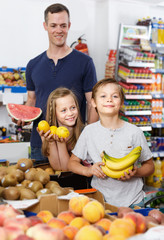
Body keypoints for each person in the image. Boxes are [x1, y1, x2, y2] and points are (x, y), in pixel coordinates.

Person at [10, 3, 98, 162]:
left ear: (69, 26)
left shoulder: (85, 62)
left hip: (74, 144)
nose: (59, 30)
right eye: (54, 25)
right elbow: (32, 100)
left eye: (63, 25)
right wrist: (22, 117)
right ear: (45, 26)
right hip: (40, 143)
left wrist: (88, 140)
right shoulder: (33, 65)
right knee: (41, 186)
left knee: (74, 186)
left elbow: (93, 103)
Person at [68, 78, 154, 207]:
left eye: (115, 96)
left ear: (121, 102)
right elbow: (72, 163)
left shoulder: (134, 132)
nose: (109, 99)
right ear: (93, 102)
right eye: (103, 96)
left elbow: (150, 166)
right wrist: (89, 170)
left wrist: (136, 172)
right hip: (100, 201)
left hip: (134, 201)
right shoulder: (89, 132)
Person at [37, 87, 84, 171]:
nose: (70, 113)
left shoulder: (84, 133)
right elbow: (58, 168)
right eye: (63, 110)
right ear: (54, 113)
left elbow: (67, 168)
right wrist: (51, 142)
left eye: (73, 107)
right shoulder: (50, 133)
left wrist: (61, 143)